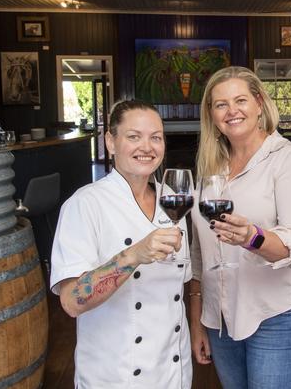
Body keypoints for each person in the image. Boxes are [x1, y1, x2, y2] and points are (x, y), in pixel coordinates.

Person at [50, 99, 192, 389]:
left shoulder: (173, 200)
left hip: (173, 371)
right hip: (116, 375)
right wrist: (133, 255)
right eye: (133, 136)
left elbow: (180, 288)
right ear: (110, 142)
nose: (147, 147)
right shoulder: (85, 204)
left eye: (156, 137)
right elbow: (72, 301)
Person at [189, 66, 291, 388]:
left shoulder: (288, 158)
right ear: (212, 115)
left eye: (241, 100)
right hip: (220, 318)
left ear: (259, 103)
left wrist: (252, 237)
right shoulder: (210, 167)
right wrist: (197, 320)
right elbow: (199, 254)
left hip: (277, 314)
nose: (232, 111)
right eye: (221, 104)